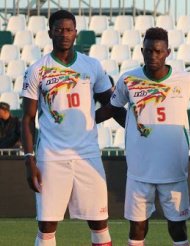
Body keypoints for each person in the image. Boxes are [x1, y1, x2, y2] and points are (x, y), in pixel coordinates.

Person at [96, 27, 190, 246]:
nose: (153, 56)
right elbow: (112, 108)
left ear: (167, 52)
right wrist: (86, 122)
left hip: (174, 169)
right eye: (148, 51)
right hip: (139, 169)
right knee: (137, 226)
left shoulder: (186, 79)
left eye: (158, 51)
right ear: (142, 51)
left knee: (177, 226)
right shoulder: (128, 79)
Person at [21, 10, 125, 246]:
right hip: (51, 156)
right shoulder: (37, 69)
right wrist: (29, 160)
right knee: (47, 225)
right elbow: (27, 119)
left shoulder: (92, 65)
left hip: (87, 154)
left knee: (99, 221)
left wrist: (131, 126)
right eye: (59, 29)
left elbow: (113, 104)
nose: (64, 34)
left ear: (76, 33)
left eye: (69, 30)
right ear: (50, 33)